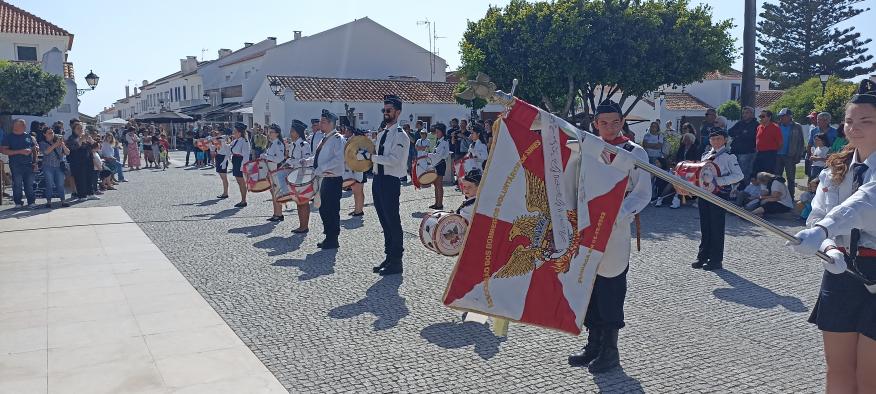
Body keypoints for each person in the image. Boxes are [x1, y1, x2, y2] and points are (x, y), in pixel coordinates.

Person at [787, 80, 876, 393]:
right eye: (849, 120)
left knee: (870, 376)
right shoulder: (835, 168)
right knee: (838, 369)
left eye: (866, 121)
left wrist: (823, 230)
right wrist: (828, 247)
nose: (855, 127)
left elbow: (865, 203)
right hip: (840, 272)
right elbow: (816, 216)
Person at [568, 100, 651, 373]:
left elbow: (642, 193)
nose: (610, 128)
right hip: (587, 226)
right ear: (596, 124)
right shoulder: (588, 148)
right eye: (604, 123)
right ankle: (593, 343)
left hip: (615, 228)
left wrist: (618, 213)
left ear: (622, 122)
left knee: (611, 286)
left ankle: (610, 350)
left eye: (615, 122)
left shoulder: (634, 152)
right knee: (589, 284)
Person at [366, 95, 411, 275]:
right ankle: (389, 256)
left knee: (393, 221)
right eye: (384, 110)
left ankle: (397, 261)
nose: (385, 113)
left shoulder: (400, 135)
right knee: (384, 221)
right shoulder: (383, 132)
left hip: (390, 181)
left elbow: (394, 160)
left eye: (389, 110)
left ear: (397, 112)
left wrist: (372, 157)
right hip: (378, 180)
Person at [692, 129, 744, 270]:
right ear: (709, 140)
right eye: (713, 139)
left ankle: (716, 259)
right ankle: (702, 256)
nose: (715, 141)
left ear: (725, 140)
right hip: (704, 193)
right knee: (705, 226)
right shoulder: (705, 155)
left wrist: (719, 181)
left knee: (716, 227)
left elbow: (739, 175)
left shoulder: (729, 156)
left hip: (719, 193)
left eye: (719, 138)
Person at [300, 110, 345, 249]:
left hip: (332, 179)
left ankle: (333, 239)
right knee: (323, 209)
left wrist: (320, 169)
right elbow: (319, 157)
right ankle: (328, 235)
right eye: (320, 121)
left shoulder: (338, 139)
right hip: (323, 179)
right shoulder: (325, 138)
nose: (320, 124)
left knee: (331, 210)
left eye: (323, 122)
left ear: (331, 123)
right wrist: (308, 161)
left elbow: (338, 160)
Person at [0, 119, 38, 208]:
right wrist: (20, 151)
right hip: (15, 165)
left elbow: (34, 150)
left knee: (29, 184)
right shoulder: (8, 137)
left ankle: (31, 202)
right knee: (17, 184)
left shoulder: (28, 136)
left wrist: (35, 162)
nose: (25, 126)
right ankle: (18, 203)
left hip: (29, 164)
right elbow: (3, 150)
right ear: (15, 126)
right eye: (23, 125)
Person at [287, 120, 312, 234]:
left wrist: (292, 162)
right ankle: (301, 225)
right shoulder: (293, 144)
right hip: (294, 174)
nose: (290, 133)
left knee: (304, 201)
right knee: (298, 201)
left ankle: (304, 226)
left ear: (297, 132)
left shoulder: (304, 145)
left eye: (292, 131)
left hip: (302, 175)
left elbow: (306, 161)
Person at [774, 108, 805, 199]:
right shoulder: (776, 126)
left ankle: (790, 197)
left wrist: (798, 155)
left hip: (790, 156)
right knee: (777, 177)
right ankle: (777, 196)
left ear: (789, 116)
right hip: (777, 155)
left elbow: (801, 142)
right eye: (781, 116)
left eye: (784, 116)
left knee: (791, 178)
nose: (781, 118)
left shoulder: (797, 126)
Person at [39, 126, 69, 208]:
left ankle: (63, 201)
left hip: (58, 166)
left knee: (60, 184)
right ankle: (49, 202)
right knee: (49, 184)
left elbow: (68, 152)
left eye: (52, 132)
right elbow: (46, 152)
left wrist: (63, 145)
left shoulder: (58, 141)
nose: (52, 134)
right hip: (48, 166)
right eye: (49, 133)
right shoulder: (42, 143)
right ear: (44, 134)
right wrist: (55, 144)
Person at [66, 122, 98, 201]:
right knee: (80, 178)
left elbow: (95, 147)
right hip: (77, 162)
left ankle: (90, 193)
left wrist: (91, 140)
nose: (80, 130)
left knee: (89, 177)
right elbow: (73, 148)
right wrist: (81, 140)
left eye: (81, 128)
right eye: (78, 128)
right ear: (73, 130)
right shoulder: (71, 138)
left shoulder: (85, 136)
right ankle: (82, 195)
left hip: (88, 160)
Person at [262, 124, 287, 222]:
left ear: (277, 133)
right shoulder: (272, 143)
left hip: (276, 170)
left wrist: (266, 157)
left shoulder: (278, 143)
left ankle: (279, 214)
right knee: (273, 192)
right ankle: (276, 213)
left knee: (276, 192)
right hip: (271, 169)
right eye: (269, 132)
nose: (269, 134)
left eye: (271, 132)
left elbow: (280, 158)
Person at [728, 106, 758, 187]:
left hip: (747, 153)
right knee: (734, 171)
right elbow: (730, 132)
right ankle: (735, 189)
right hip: (735, 152)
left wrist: (738, 134)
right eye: (743, 113)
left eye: (747, 113)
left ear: (752, 114)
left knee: (744, 172)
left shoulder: (756, 125)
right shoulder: (740, 123)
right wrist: (742, 132)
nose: (744, 115)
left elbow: (750, 136)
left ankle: (743, 189)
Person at [427, 123, 451, 210]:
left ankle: (440, 204)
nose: (436, 134)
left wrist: (428, 155)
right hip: (436, 164)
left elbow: (439, 155)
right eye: (436, 132)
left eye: (437, 132)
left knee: (439, 184)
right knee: (435, 184)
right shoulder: (439, 141)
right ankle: (436, 203)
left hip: (440, 164)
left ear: (442, 132)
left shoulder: (444, 142)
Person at [752, 109, 783, 176]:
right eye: (760, 116)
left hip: (770, 154)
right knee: (757, 173)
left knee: (768, 174)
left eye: (763, 116)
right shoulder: (759, 127)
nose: (761, 118)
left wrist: (773, 152)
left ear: (769, 117)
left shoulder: (775, 127)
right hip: (759, 153)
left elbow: (780, 143)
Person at [229, 123, 252, 208]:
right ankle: (242, 199)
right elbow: (230, 148)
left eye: (235, 131)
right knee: (239, 182)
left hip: (240, 161)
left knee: (241, 182)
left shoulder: (244, 141)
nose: (233, 133)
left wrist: (243, 167)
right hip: (236, 160)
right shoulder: (236, 140)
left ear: (239, 132)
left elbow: (246, 155)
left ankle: (243, 200)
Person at [215, 129, 232, 199]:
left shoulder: (225, 140)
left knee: (224, 177)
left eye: (218, 133)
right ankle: (225, 192)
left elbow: (228, 152)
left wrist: (225, 161)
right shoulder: (220, 139)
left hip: (223, 158)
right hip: (219, 157)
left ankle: (225, 193)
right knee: (222, 176)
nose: (217, 134)